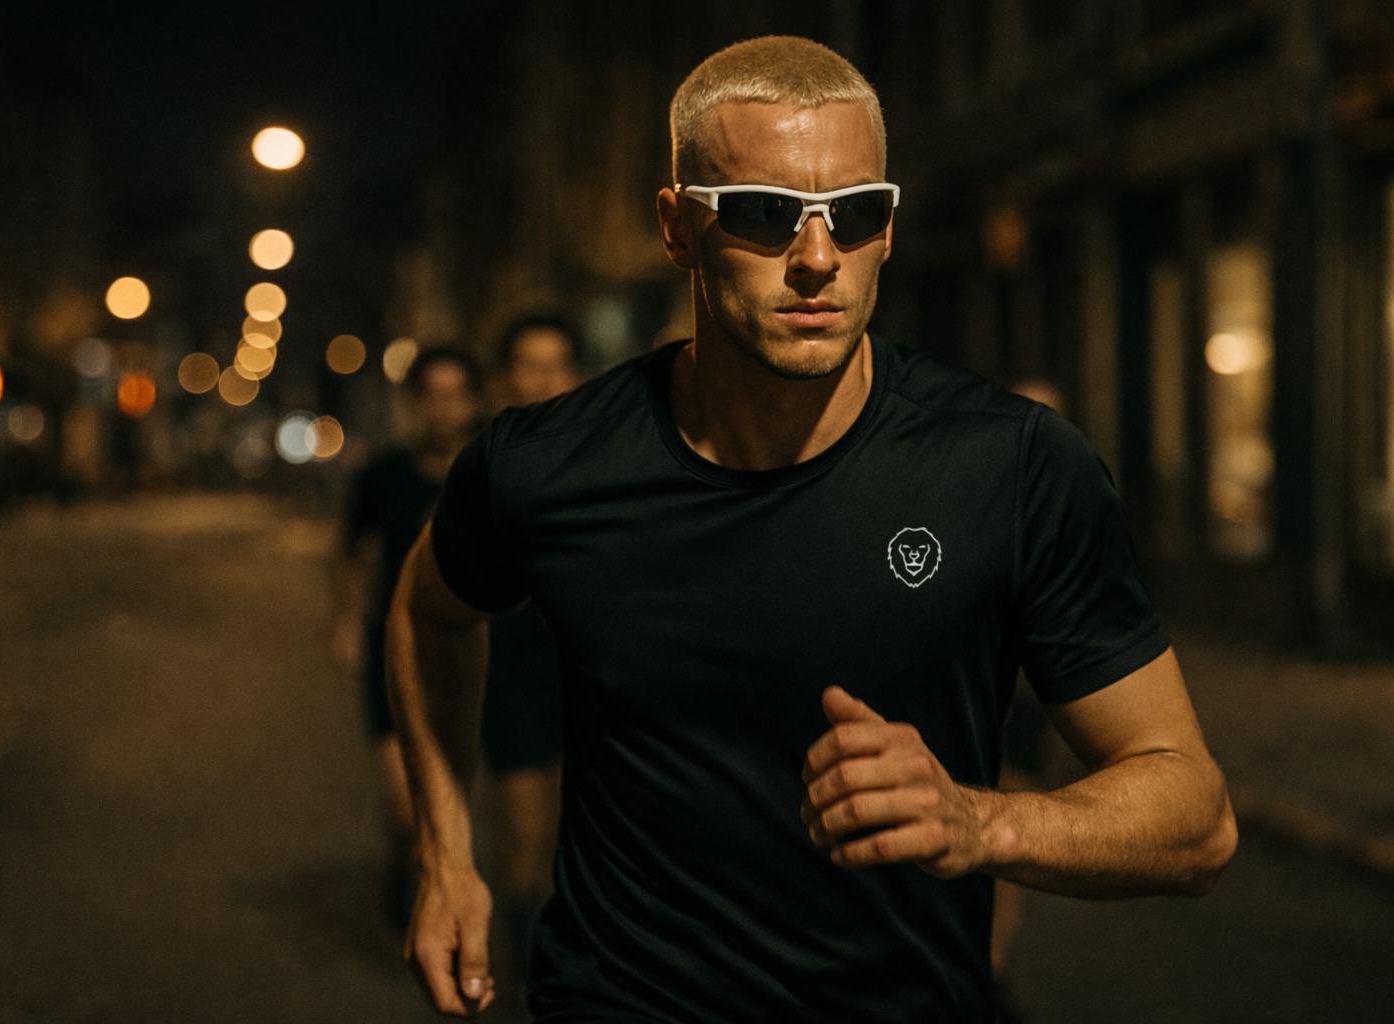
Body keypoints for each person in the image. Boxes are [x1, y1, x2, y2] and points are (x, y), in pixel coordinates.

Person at [386, 36, 1238, 1022]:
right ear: (677, 227)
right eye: (763, 215)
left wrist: (981, 821)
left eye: (857, 214)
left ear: (888, 226)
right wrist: (445, 855)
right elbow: (427, 612)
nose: (818, 260)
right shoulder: (547, 462)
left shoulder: (1009, 466)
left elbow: (1197, 817)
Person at [334, 346, 484, 926]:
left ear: (472, 400)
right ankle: (409, 868)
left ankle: (459, 887)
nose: (444, 409)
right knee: (405, 803)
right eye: (431, 396)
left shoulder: (491, 466)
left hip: (478, 644)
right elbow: (348, 551)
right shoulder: (384, 475)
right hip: (397, 647)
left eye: (456, 395)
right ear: (414, 403)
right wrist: (346, 617)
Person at [481, 315, 585, 981]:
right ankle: (526, 956)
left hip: (590, 674)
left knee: (577, 836)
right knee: (523, 842)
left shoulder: (612, 457)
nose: (544, 378)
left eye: (557, 363)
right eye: (529, 363)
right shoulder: (486, 466)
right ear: (504, 378)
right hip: (513, 672)